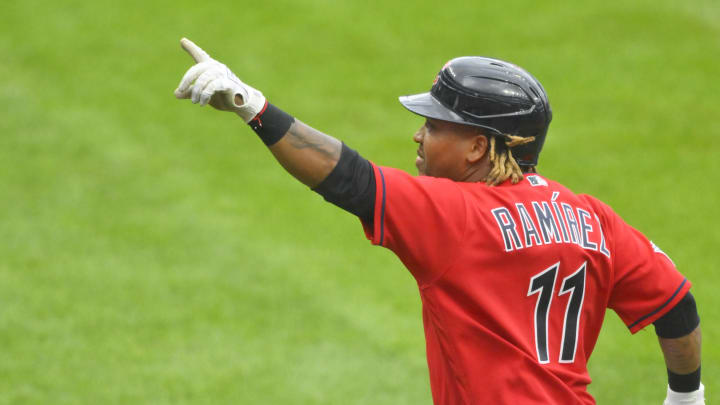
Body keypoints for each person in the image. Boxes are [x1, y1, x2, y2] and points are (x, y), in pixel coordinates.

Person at [173, 38, 704, 405]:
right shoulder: (592, 218)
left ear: (478, 145)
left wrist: (252, 106)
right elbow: (675, 304)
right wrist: (687, 395)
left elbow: (349, 179)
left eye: (433, 125)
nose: (418, 137)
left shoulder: (457, 217)